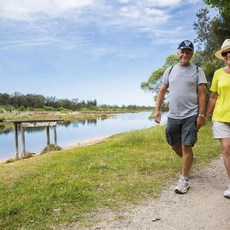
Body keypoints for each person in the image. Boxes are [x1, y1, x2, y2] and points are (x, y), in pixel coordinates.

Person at [154, 40, 207, 194]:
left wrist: (201, 115)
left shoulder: (197, 70)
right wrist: (157, 110)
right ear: (178, 53)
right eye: (182, 51)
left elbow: (202, 94)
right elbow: (162, 91)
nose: (185, 54)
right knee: (174, 145)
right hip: (173, 116)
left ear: (192, 54)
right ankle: (189, 160)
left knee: (186, 146)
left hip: (191, 114)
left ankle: (184, 180)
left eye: (188, 52)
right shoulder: (169, 70)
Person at [205, 39, 230, 199]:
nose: (228, 55)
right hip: (221, 116)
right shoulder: (218, 74)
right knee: (227, 148)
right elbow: (213, 97)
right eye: (225, 53)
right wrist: (205, 116)